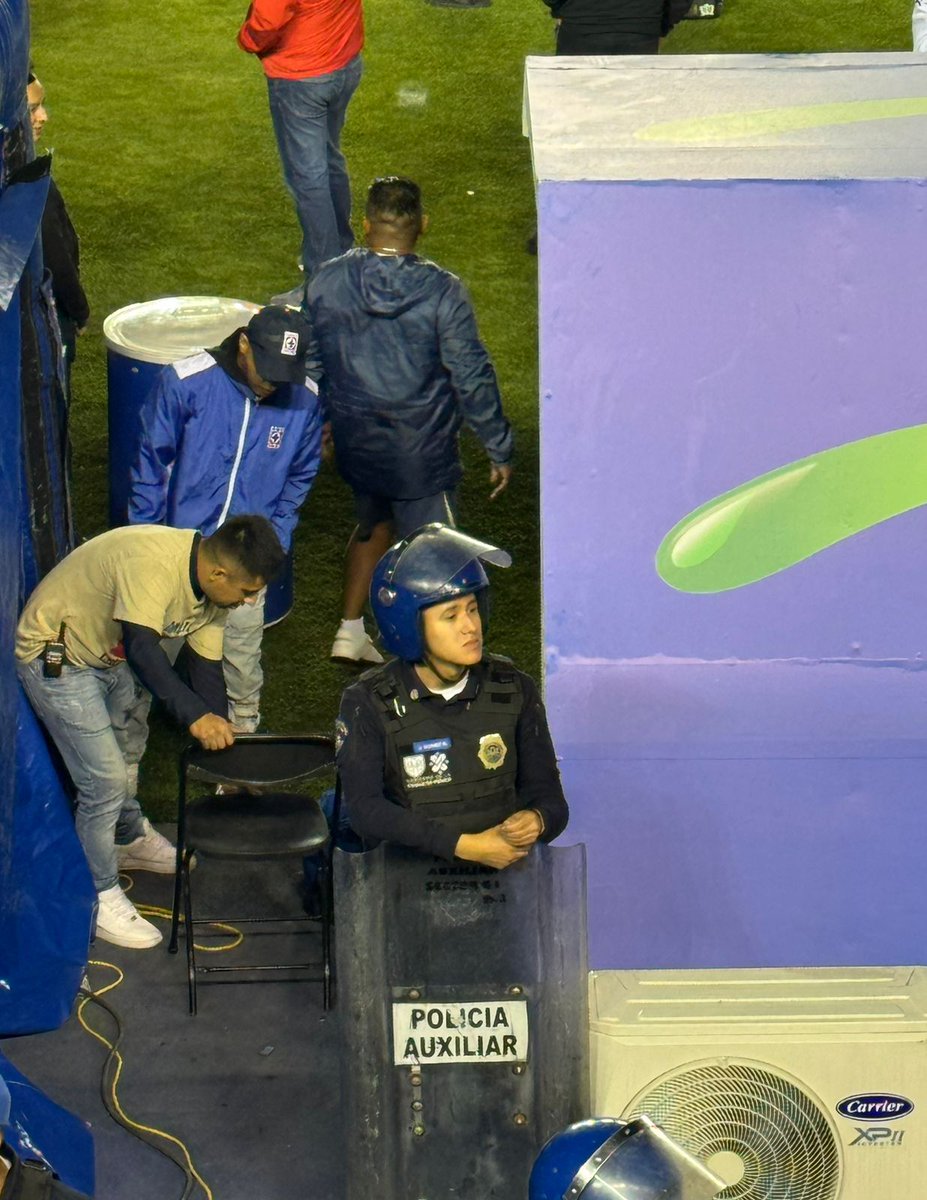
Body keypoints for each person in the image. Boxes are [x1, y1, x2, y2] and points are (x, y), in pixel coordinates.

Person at [15, 516, 286, 950]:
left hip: (104, 655)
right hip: (56, 653)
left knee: (125, 752)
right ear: (219, 573)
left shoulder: (215, 593)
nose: (248, 602)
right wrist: (197, 718)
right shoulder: (153, 564)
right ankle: (98, 895)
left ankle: (128, 838)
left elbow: (206, 668)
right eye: (247, 592)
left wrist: (224, 752)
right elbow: (142, 650)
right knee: (102, 779)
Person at [303, 177, 515, 667]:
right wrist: (497, 444)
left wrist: (319, 426)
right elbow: (471, 373)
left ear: (365, 223)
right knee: (439, 561)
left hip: (360, 445)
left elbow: (311, 364)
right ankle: (439, 666)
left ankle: (349, 631)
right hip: (422, 453)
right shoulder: (443, 291)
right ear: (422, 224)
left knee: (372, 525)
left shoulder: (327, 279)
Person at [128, 305, 322, 733]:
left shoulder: (305, 400)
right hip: (176, 558)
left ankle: (243, 742)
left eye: (283, 374)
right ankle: (126, 757)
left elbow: (301, 474)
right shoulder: (186, 382)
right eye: (267, 371)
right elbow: (151, 469)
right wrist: (145, 546)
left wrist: (277, 541)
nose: (273, 384)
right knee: (144, 658)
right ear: (243, 345)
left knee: (241, 657)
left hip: (246, 561)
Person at [336, 524, 568, 868]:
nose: (470, 627)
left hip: (501, 889)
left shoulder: (516, 689)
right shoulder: (367, 702)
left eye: (472, 609)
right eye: (451, 615)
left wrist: (537, 819)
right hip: (406, 889)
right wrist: (465, 846)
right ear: (407, 625)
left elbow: (551, 799)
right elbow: (366, 812)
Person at [237, 0, 364, 284]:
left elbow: (267, 22)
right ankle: (342, 252)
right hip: (345, 61)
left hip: (303, 76)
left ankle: (325, 280)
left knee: (308, 177)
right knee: (329, 158)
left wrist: (247, 39)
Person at [26, 72, 90, 390]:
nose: (43, 117)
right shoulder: (32, 187)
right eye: (32, 110)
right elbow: (57, 255)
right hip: (46, 321)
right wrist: (79, 311)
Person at [544, 0, 692, 55]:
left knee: (574, 108)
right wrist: (661, 26)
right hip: (642, 31)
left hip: (580, 30)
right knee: (636, 111)